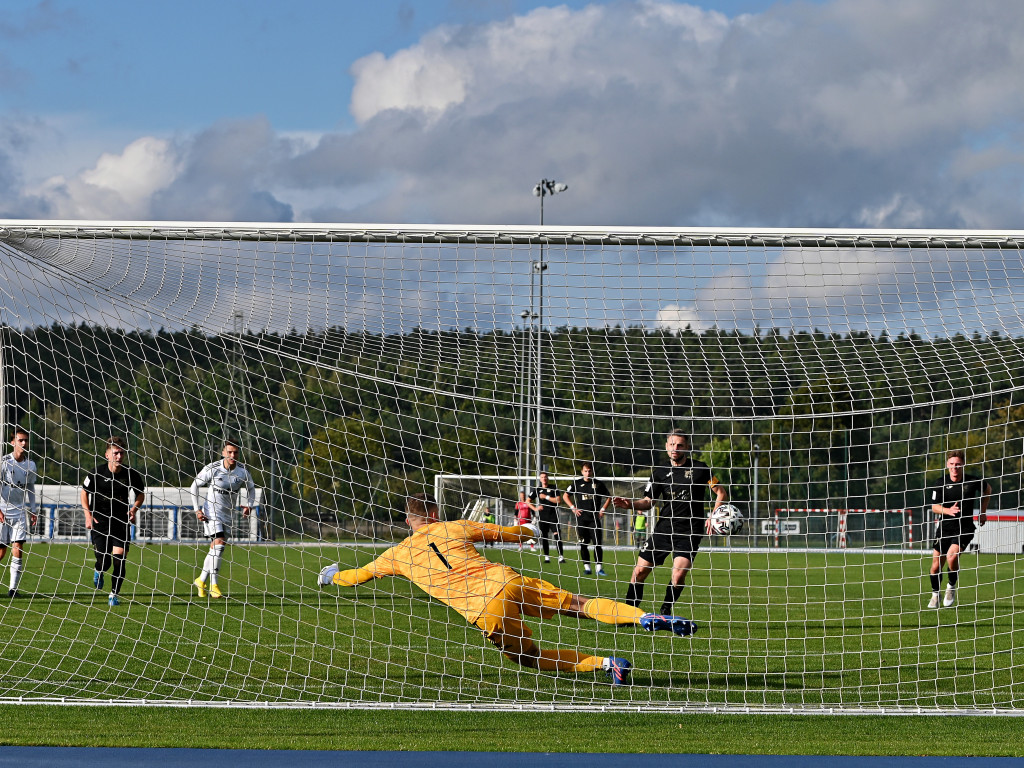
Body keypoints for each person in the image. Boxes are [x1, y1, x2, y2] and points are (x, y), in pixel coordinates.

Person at [318, 494, 698, 686]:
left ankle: (607, 664)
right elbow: (504, 532)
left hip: (484, 610)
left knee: (527, 657)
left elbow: (359, 576)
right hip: (506, 579)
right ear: (433, 514)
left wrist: (332, 575)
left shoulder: (395, 555)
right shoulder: (454, 527)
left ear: (408, 521)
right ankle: (645, 615)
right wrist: (529, 531)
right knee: (579, 605)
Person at [613, 430, 728, 615]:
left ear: (687, 448)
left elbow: (721, 492)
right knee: (640, 571)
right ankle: (629, 612)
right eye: (672, 445)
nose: (675, 448)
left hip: (690, 531)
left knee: (678, 575)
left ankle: (665, 611)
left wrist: (714, 515)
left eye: (680, 445)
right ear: (667, 447)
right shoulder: (659, 473)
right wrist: (630, 504)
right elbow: (648, 502)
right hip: (664, 529)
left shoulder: (701, 469)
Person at [81, 436, 145, 607]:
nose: (119, 456)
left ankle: (113, 595)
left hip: (120, 523)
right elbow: (84, 492)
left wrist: (133, 509)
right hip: (99, 522)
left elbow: (140, 494)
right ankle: (98, 571)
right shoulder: (96, 473)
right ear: (107, 455)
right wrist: (87, 515)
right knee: (105, 562)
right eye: (115, 453)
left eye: (122, 453)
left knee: (119, 560)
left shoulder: (130, 474)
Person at [190, 439, 256, 599]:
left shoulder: (242, 472)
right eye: (229, 452)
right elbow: (194, 486)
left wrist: (249, 505)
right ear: (223, 453)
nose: (232, 455)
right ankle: (214, 585)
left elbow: (251, 488)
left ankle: (201, 580)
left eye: (235, 452)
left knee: (216, 547)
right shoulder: (213, 469)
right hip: (211, 512)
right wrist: (197, 509)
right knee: (219, 543)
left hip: (228, 513)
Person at [927, 450, 991, 608]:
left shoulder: (973, 481)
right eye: (952, 464)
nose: (955, 467)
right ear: (947, 465)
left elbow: (988, 490)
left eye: (958, 464)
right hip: (945, 527)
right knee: (936, 565)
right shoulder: (940, 482)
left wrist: (982, 512)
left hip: (965, 527)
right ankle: (935, 594)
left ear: (963, 465)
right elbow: (934, 507)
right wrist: (948, 511)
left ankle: (950, 586)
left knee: (952, 557)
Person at [1, 428, 38, 598]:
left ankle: (13, 589)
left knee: (18, 547)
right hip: (2, 509)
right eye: (20, 440)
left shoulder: (30, 464)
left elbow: (30, 487)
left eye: (25, 440)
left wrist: (33, 509)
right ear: (13, 442)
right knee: (1, 552)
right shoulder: (4, 462)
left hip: (19, 510)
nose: (24, 443)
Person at [563, 462, 611, 575]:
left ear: (592, 471)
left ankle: (599, 568)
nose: (587, 473)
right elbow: (565, 495)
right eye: (585, 471)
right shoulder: (577, 483)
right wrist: (573, 508)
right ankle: (587, 568)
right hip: (582, 519)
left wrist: (603, 509)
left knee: (597, 543)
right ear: (582, 472)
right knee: (583, 544)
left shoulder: (598, 484)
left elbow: (609, 497)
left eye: (589, 471)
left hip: (594, 519)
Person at [531, 471, 565, 564]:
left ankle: (561, 557)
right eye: (542, 477)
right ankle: (547, 557)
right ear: (540, 479)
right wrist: (535, 508)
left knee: (557, 535)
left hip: (553, 516)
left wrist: (545, 497)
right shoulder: (537, 489)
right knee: (544, 537)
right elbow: (528, 500)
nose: (544, 479)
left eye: (545, 477)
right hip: (543, 517)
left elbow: (558, 501)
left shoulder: (553, 488)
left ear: (548, 478)